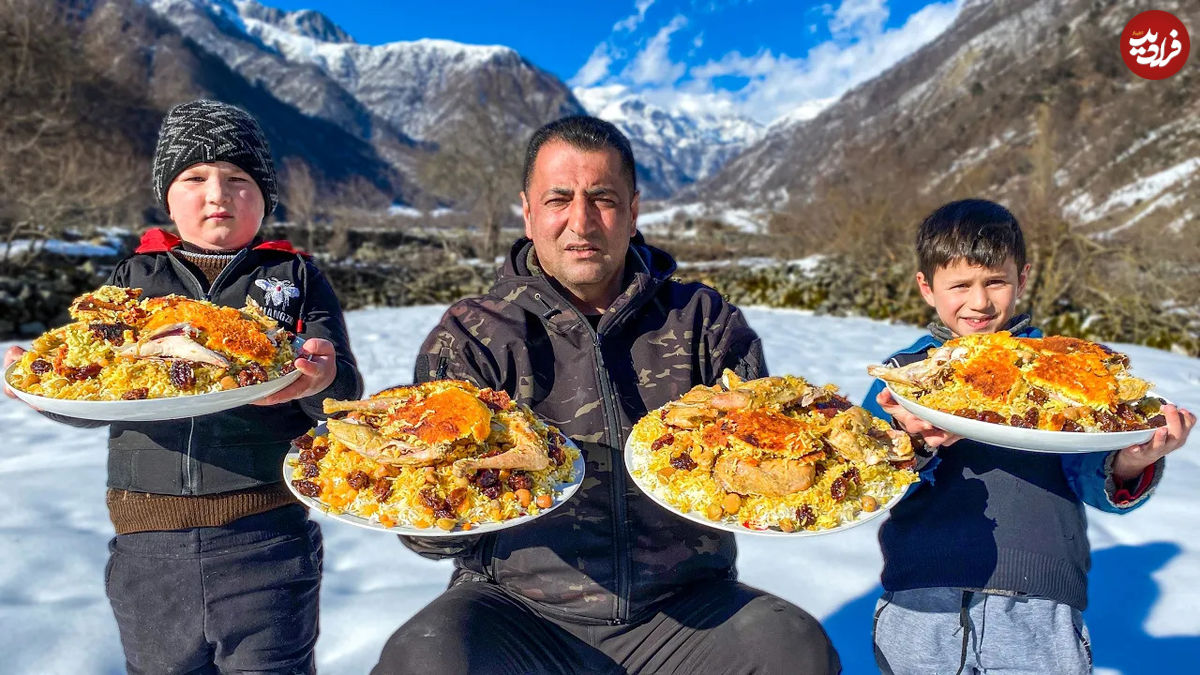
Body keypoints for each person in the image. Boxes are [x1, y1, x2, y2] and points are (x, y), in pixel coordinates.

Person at [371, 116, 840, 674]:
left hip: (687, 609)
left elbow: (778, 453)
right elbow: (418, 522)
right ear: (527, 211)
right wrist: (436, 504)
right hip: (517, 611)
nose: (581, 221)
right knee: (423, 659)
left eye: (603, 198)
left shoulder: (703, 322)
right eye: (558, 198)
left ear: (634, 209)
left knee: (793, 649)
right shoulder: (473, 335)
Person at [4, 99, 363, 674]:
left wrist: (319, 377)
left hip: (266, 534)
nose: (217, 194)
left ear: (266, 197)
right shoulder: (133, 281)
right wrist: (41, 389)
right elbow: (95, 387)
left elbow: (339, 390)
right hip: (148, 542)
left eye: (238, 179)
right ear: (167, 197)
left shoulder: (293, 278)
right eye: (194, 178)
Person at [860, 199, 1194, 674]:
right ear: (927, 287)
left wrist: (1131, 463)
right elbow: (860, 476)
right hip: (923, 593)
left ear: (1022, 277)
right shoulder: (902, 379)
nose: (979, 302)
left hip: (1039, 603)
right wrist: (907, 442)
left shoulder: (1067, 374)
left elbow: (1087, 469)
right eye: (960, 285)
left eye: (995, 281)